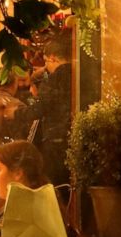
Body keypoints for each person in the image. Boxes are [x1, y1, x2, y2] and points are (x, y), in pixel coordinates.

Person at [9, 30, 73, 186]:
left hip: (55, 139)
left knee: (54, 184)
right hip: (70, 137)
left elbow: (41, 107)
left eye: (46, 62)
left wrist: (16, 113)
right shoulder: (75, 75)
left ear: (53, 58)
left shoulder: (54, 79)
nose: (45, 67)